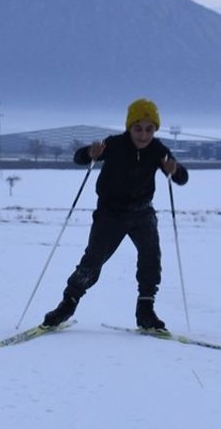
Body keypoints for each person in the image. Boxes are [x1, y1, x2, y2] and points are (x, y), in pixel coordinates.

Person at [42, 98, 189, 331]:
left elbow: (181, 178)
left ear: (155, 130)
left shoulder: (158, 150)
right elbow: (79, 158)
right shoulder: (114, 144)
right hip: (110, 214)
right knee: (93, 260)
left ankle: (145, 310)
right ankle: (67, 304)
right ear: (129, 127)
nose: (143, 135)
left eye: (149, 129)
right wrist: (91, 152)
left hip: (142, 213)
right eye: (138, 128)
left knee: (151, 258)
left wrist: (175, 169)